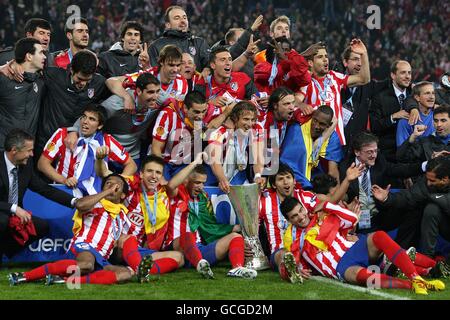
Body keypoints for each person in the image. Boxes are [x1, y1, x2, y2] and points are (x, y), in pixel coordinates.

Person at [280, 196, 445, 295]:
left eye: (300, 211)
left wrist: (327, 205)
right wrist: (296, 269)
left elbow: (352, 219)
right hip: (341, 266)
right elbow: (290, 263)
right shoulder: (292, 238)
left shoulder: (321, 217)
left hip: (355, 248)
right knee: (363, 277)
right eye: (294, 216)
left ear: (304, 207)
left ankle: (416, 277)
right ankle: (415, 283)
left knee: (379, 236)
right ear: (288, 220)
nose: (301, 217)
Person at [8, 173, 135, 286]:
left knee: (125, 273)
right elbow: (80, 205)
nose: (112, 186)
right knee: (87, 264)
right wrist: (108, 192)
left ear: (123, 194)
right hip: (84, 246)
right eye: (108, 183)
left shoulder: (123, 216)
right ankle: (24, 276)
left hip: (101, 257)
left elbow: (122, 243)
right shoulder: (95, 202)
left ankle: (66, 280)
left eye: (117, 185)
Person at [162, 156, 257, 279]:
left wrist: (235, 228)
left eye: (203, 183)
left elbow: (210, 226)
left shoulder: (203, 198)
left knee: (236, 237)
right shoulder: (176, 194)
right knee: (187, 234)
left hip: (199, 250)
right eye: (197, 182)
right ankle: (200, 264)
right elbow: (170, 185)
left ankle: (236, 268)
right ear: (186, 181)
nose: (201, 187)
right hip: (177, 249)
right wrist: (195, 162)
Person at [0, 129, 78, 261]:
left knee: (41, 226)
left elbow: (45, 189)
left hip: (15, 216)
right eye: (28, 150)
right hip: (3, 212)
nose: (31, 154)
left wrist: (75, 202)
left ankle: (4, 253)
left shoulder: (25, 166)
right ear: (14, 150)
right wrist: (13, 208)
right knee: (2, 220)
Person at [339, 131, 426, 248]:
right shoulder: (345, 168)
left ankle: (401, 249)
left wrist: (425, 166)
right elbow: (340, 195)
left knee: (415, 208)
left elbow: (398, 169)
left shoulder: (379, 161)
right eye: (369, 152)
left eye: (375, 151)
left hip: (380, 214)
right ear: (357, 152)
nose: (374, 155)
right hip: (358, 220)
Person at [38, 104, 136, 197]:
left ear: (100, 125)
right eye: (84, 117)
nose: (85, 121)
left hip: (93, 196)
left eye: (92, 119)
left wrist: (117, 181)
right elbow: (42, 164)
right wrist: (64, 180)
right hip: (64, 191)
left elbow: (131, 165)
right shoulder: (63, 135)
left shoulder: (107, 141)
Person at [372, 156, 450, 260]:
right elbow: (409, 196)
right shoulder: (428, 183)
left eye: (432, 180)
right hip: (443, 223)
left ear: (445, 179)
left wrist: (430, 197)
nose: (428, 183)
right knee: (427, 208)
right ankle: (424, 258)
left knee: (431, 206)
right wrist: (387, 198)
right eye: (427, 179)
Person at [35, 50, 109, 156]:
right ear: (71, 70)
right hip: (46, 141)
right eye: (79, 79)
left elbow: (115, 82)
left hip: (75, 145)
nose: (83, 83)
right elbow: (29, 68)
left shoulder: (98, 83)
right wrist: (10, 66)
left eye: (87, 80)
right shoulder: (54, 76)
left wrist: (126, 96)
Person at [298, 39, 371, 146]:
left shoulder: (335, 77)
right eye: (320, 57)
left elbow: (364, 79)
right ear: (310, 63)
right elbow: (295, 99)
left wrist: (364, 53)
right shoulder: (306, 81)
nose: (325, 60)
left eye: (326, 56)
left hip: (336, 142)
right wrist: (301, 105)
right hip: (313, 140)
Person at [151, 90, 222, 180]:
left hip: (185, 164)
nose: (200, 116)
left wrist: (223, 118)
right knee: (164, 187)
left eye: (203, 111)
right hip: (164, 163)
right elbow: (156, 147)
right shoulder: (168, 114)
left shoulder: (208, 113)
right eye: (196, 112)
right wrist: (160, 175)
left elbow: (231, 108)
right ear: (185, 108)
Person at [106, 44, 188, 112]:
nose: (175, 70)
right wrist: (127, 98)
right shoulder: (147, 75)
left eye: (178, 65)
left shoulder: (182, 83)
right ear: (161, 62)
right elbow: (111, 81)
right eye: (171, 65)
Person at [339, 45, 389, 152]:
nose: (360, 63)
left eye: (362, 60)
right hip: (335, 145)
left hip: (356, 149)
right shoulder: (334, 82)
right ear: (345, 62)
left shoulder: (369, 86)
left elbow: (391, 84)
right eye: (355, 59)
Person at [281, 105, 343, 189]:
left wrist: (336, 195)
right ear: (312, 117)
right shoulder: (297, 130)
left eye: (322, 124)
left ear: (329, 125)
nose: (316, 126)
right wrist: (308, 186)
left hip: (316, 182)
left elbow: (333, 172)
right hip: (294, 181)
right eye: (315, 120)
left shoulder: (332, 138)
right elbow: (287, 165)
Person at [0, 38, 46, 151]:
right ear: (29, 56)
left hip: (27, 151)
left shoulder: (41, 81)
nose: (45, 57)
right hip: (4, 149)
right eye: (41, 53)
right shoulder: (5, 79)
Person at [208, 101, 265, 191]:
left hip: (239, 172)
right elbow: (215, 162)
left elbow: (258, 156)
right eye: (246, 119)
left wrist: (258, 176)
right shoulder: (219, 132)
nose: (250, 124)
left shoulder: (257, 128)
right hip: (214, 173)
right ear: (235, 118)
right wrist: (223, 180)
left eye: (253, 119)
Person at [369, 60, 419, 162]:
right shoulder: (380, 97)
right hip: (388, 154)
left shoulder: (415, 94)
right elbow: (375, 126)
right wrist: (393, 117)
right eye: (403, 72)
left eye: (409, 73)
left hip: (413, 152)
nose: (407, 76)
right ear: (393, 75)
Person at [194, 46, 262, 110]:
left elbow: (257, 101)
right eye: (223, 60)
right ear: (213, 65)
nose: (228, 63)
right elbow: (195, 108)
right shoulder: (203, 82)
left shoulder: (243, 78)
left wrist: (237, 105)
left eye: (230, 59)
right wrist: (209, 103)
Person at [148, 5, 210, 72]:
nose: (183, 21)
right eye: (177, 18)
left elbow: (211, 64)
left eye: (184, 18)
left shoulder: (199, 43)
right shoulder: (156, 46)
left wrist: (207, 69)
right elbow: (154, 73)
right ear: (168, 25)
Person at [396, 81, 436, 147]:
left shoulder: (439, 116)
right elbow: (402, 151)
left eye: (433, 93)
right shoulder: (406, 121)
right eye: (427, 93)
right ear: (417, 97)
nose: (432, 97)